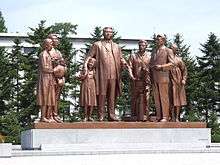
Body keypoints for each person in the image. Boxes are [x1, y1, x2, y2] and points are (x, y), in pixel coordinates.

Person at [83, 27, 127, 121]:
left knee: (112, 96)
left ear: (112, 34)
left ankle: (112, 114)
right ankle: (101, 115)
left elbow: (121, 58)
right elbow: (89, 56)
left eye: (110, 32)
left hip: (114, 74)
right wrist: (85, 67)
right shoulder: (97, 45)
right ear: (103, 33)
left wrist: (124, 62)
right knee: (101, 95)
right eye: (106, 32)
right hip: (102, 74)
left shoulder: (116, 46)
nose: (108, 33)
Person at [150, 34, 175, 122]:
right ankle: (159, 115)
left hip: (163, 77)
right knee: (156, 98)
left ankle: (165, 116)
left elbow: (172, 64)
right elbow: (151, 63)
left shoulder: (168, 50)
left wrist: (161, 66)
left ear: (163, 40)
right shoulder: (153, 51)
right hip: (154, 77)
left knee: (164, 97)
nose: (157, 41)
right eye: (156, 40)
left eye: (159, 40)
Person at [128, 40, 151, 121]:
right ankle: (134, 115)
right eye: (140, 45)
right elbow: (129, 67)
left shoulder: (149, 56)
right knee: (134, 98)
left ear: (146, 46)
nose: (141, 47)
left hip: (146, 81)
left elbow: (152, 68)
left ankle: (146, 115)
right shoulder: (133, 56)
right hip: (135, 80)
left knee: (146, 99)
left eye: (143, 45)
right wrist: (131, 75)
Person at [47, 34, 67, 123]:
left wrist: (62, 75)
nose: (57, 41)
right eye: (55, 39)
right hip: (50, 78)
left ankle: (55, 114)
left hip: (58, 79)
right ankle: (48, 115)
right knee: (49, 97)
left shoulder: (58, 52)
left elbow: (63, 64)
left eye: (57, 39)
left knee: (56, 98)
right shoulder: (46, 52)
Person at [37, 38, 56, 122]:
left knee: (49, 97)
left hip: (49, 78)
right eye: (50, 43)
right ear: (46, 45)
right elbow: (44, 68)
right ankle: (43, 117)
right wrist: (54, 70)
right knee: (44, 97)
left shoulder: (48, 54)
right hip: (44, 78)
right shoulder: (43, 54)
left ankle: (47, 116)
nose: (52, 45)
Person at [170, 44, 187, 122]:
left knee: (177, 100)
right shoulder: (167, 58)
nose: (172, 50)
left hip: (178, 81)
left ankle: (177, 117)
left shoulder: (179, 59)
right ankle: (171, 116)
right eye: (171, 48)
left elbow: (184, 70)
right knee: (170, 99)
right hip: (169, 80)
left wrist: (183, 79)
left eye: (174, 48)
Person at [79, 58, 97, 122]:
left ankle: (90, 116)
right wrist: (84, 75)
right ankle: (85, 116)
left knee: (91, 101)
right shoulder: (84, 70)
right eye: (90, 62)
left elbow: (97, 79)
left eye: (92, 63)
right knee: (86, 101)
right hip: (85, 85)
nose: (90, 64)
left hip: (92, 86)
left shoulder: (95, 71)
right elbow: (79, 77)